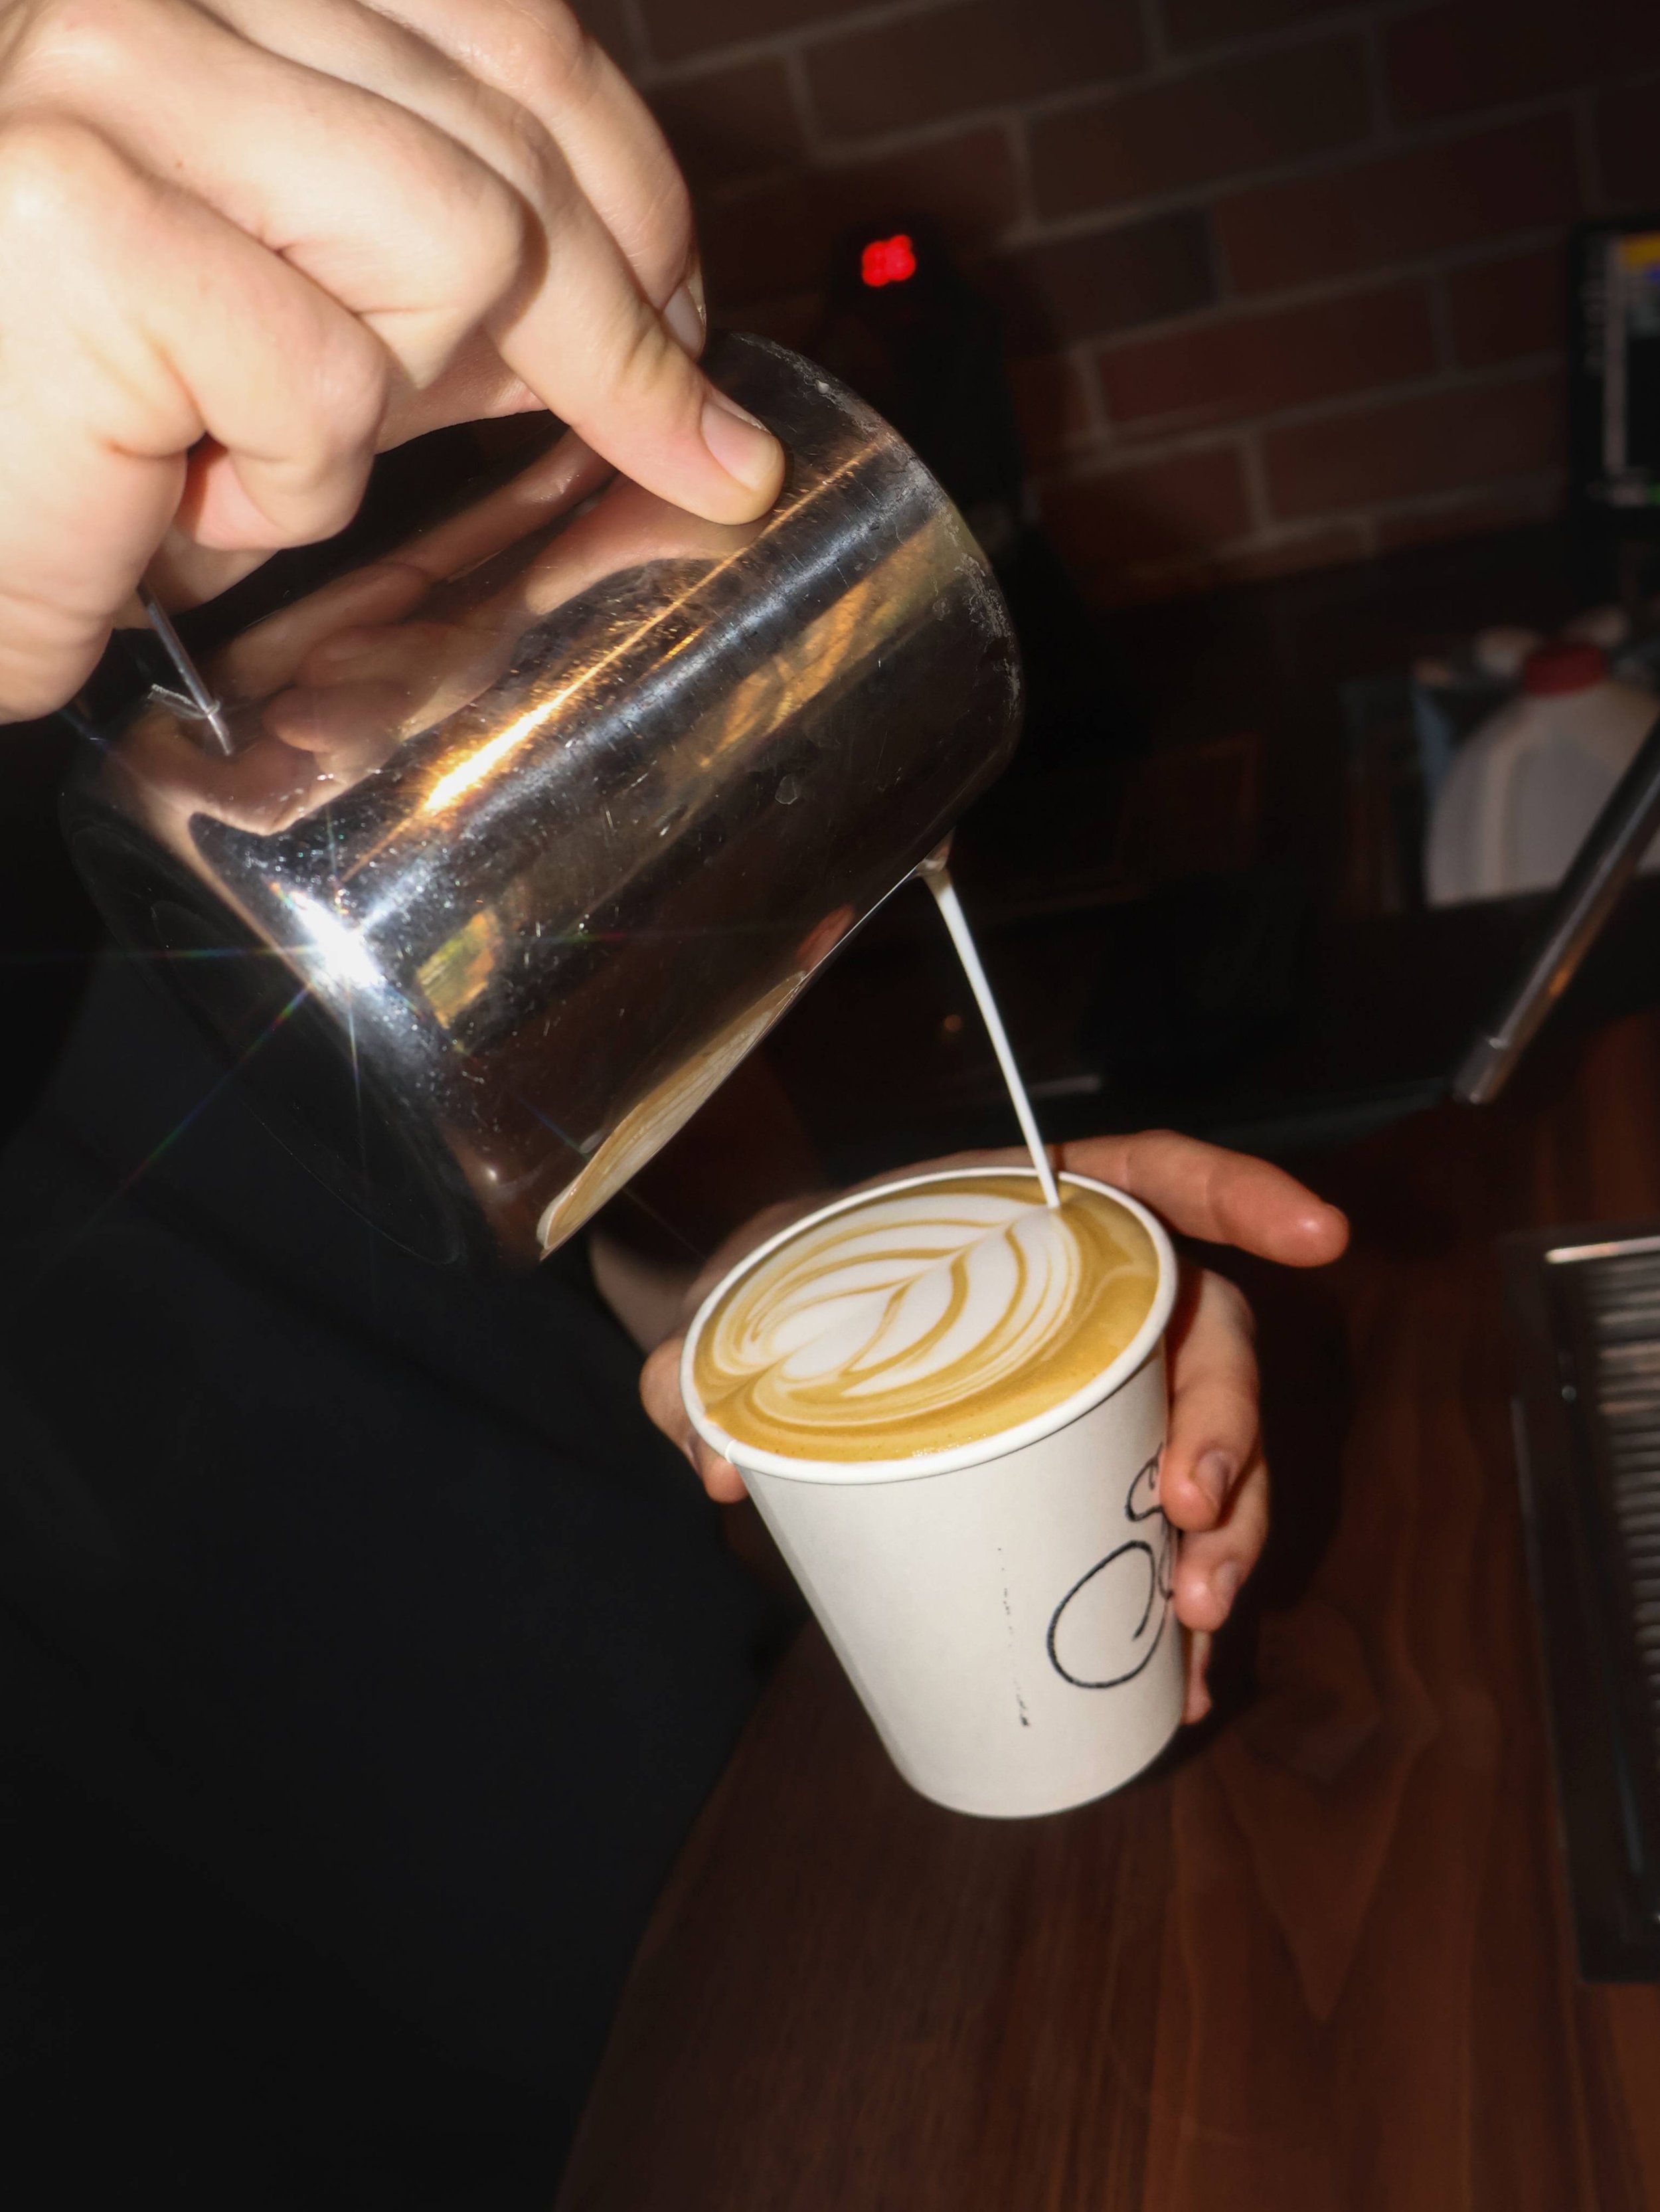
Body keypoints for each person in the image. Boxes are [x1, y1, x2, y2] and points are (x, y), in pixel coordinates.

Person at [0, 3, 1349, 2202]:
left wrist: (866, 1310)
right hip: (256, 2077)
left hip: (753, 1861)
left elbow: (549, 1077)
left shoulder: (213, 388)